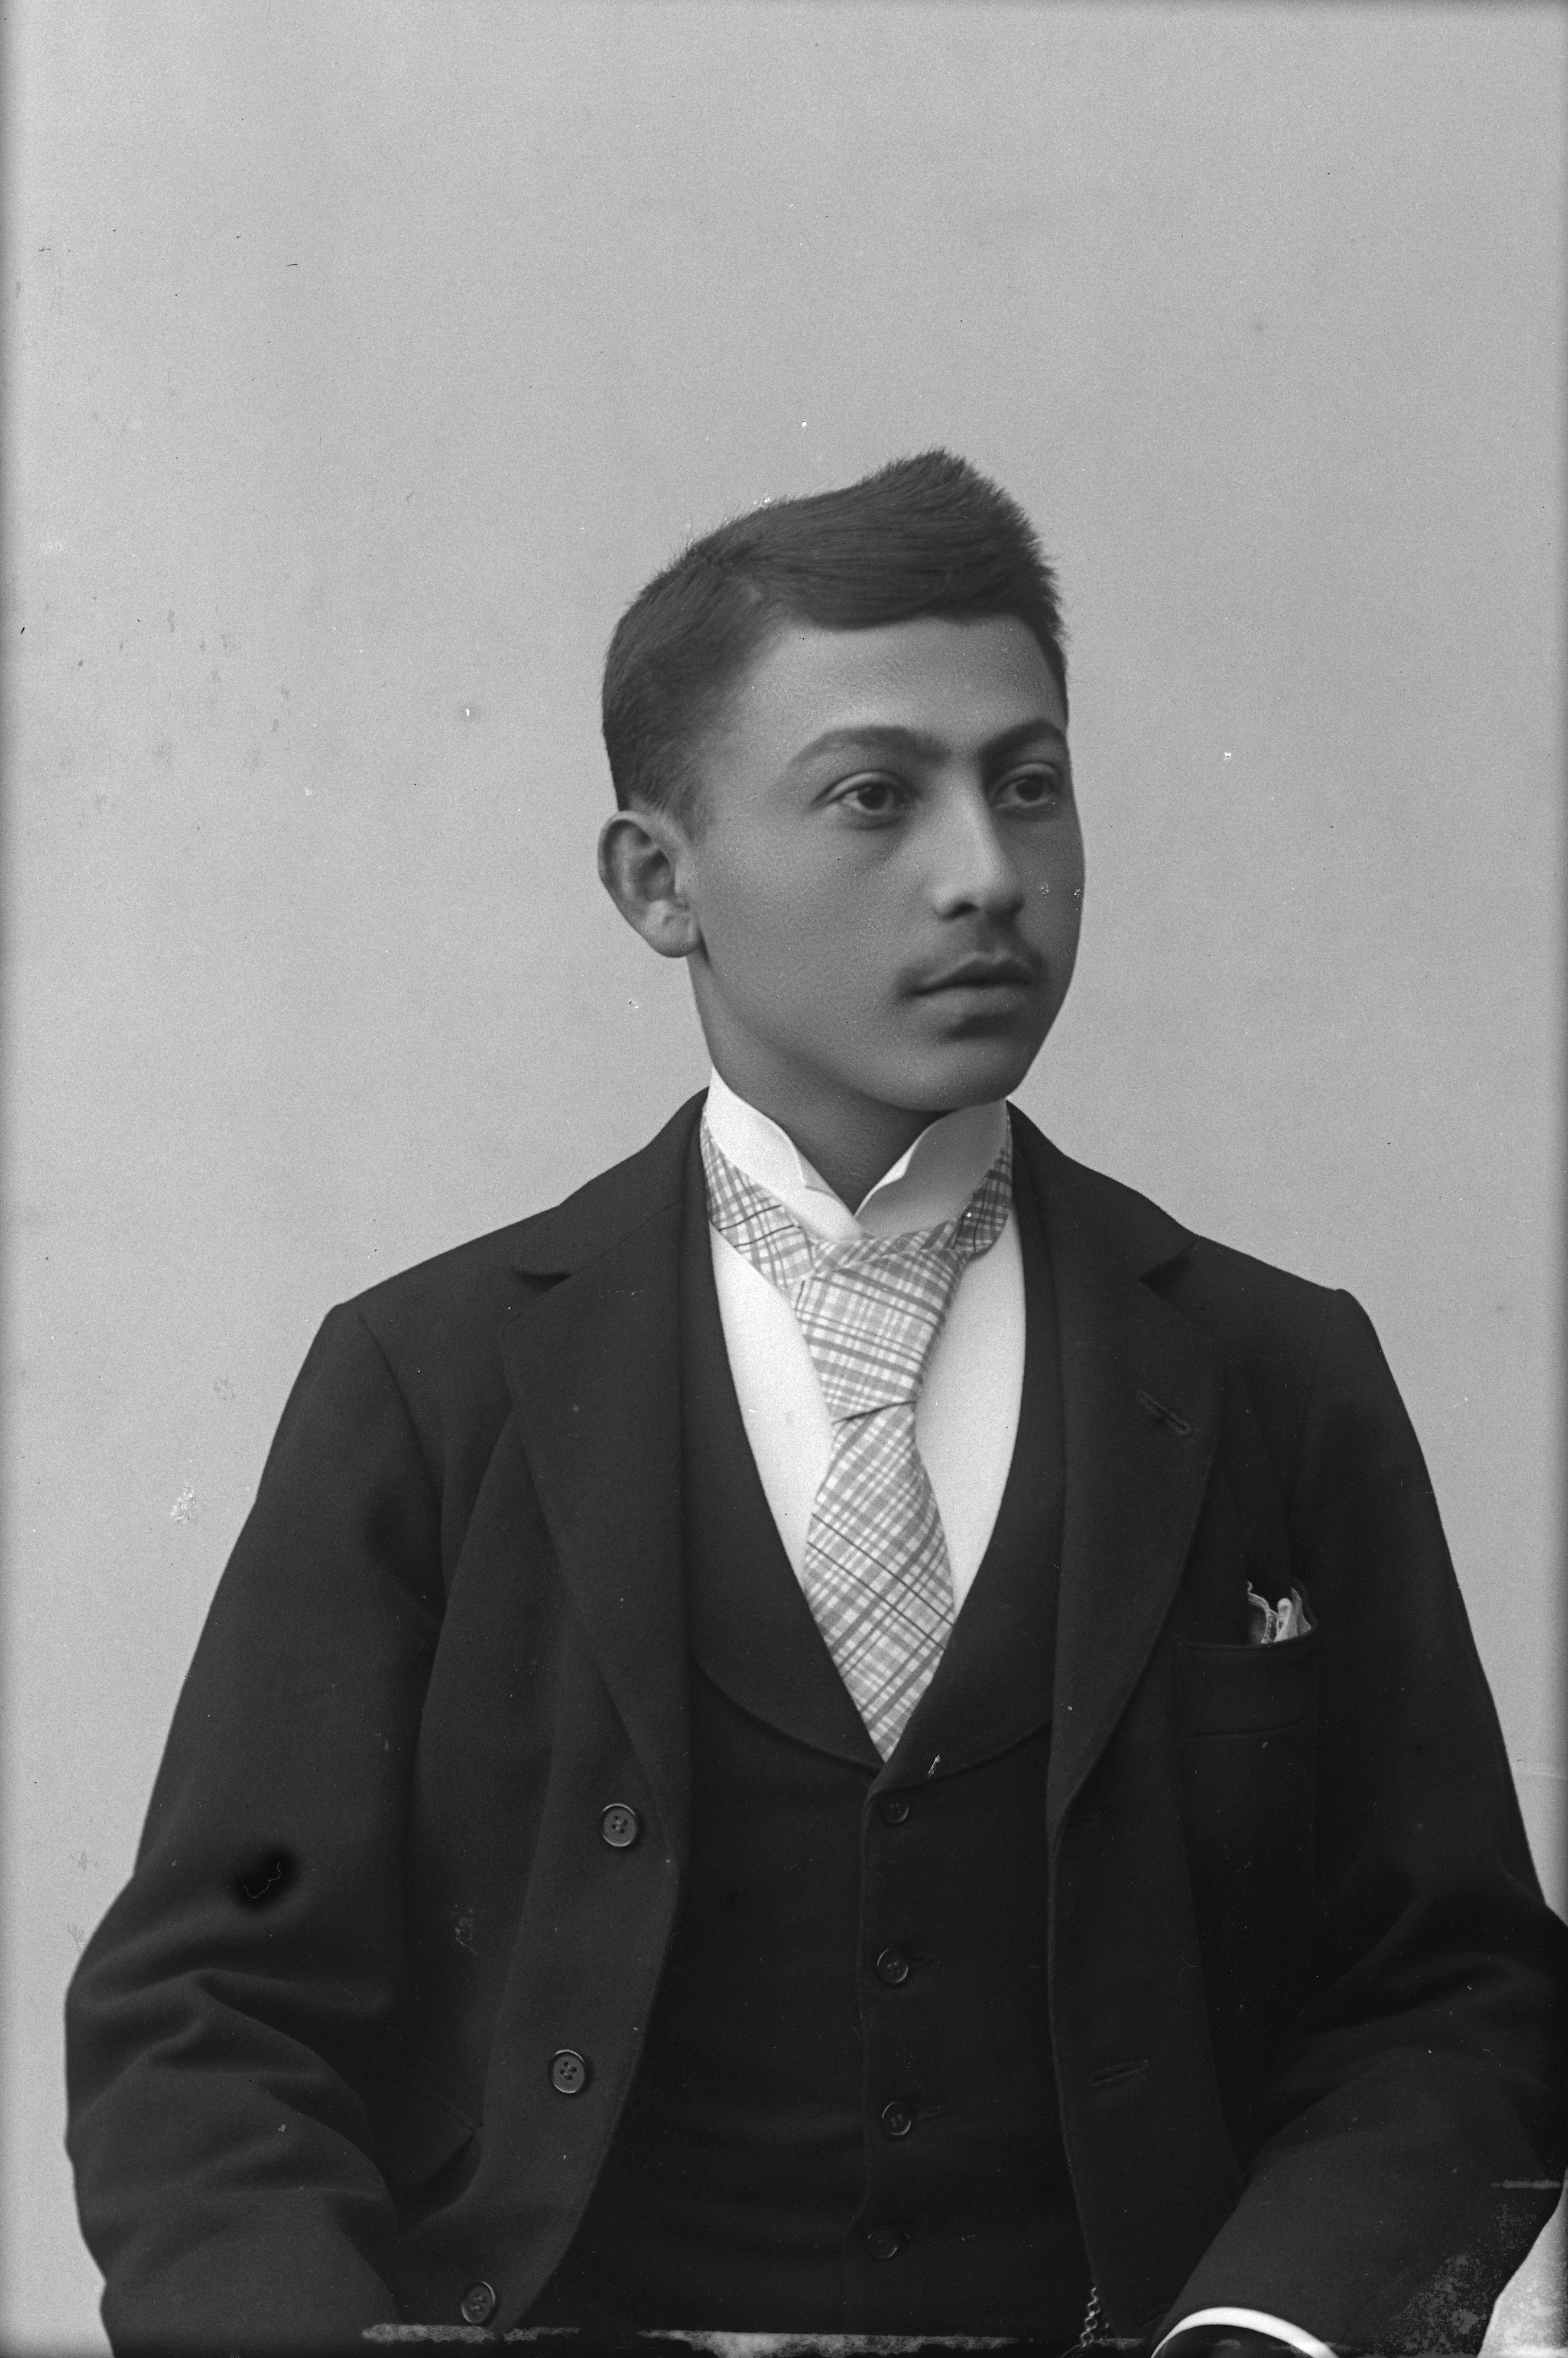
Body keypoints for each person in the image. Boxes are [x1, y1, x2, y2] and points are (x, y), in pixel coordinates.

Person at [66, 453, 1565, 2356]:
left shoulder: (1277, 1373)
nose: (987, 872)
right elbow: (210, 2017)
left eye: (1030, 784)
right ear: (659, 882)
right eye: (876, 795)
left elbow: (1455, 1993)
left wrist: (1269, 2335)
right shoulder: (432, 1384)